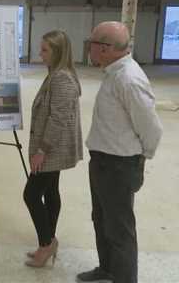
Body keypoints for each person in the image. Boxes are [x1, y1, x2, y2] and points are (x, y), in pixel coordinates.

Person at [76, 21, 162, 283]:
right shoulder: (114, 72)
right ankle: (108, 269)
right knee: (101, 219)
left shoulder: (129, 79)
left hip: (119, 165)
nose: (88, 47)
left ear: (105, 48)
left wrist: (140, 159)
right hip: (103, 160)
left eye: (91, 43)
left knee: (120, 228)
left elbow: (151, 128)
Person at [23, 30, 83, 268]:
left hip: (51, 148)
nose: (40, 53)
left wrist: (41, 151)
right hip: (51, 148)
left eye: (45, 49)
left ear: (58, 52)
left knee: (31, 194)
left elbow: (57, 119)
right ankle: (49, 242)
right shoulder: (55, 74)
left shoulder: (62, 78)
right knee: (50, 191)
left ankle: (46, 243)